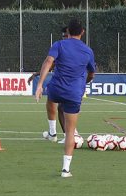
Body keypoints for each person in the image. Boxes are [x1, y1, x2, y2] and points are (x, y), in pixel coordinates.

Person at [35, 19, 95, 178]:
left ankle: (52, 132)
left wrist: (40, 84)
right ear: (82, 32)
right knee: (70, 133)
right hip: (74, 92)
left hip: (57, 88)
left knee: (51, 99)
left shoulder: (59, 44)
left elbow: (48, 61)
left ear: (68, 31)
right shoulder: (88, 51)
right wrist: (85, 81)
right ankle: (65, 170)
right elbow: (91, 73)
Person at [27, 27, 76, 143]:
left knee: (62, 107)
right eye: (63, 35)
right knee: (56, 105)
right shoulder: (63, 47)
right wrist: (37, 74)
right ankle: (55, 133)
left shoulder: (69, 48)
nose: (64, 37)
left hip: (70, 83)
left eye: (66, 35)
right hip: (65, 83)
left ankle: (66, 136)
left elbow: (49, 61)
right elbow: (51, 64)